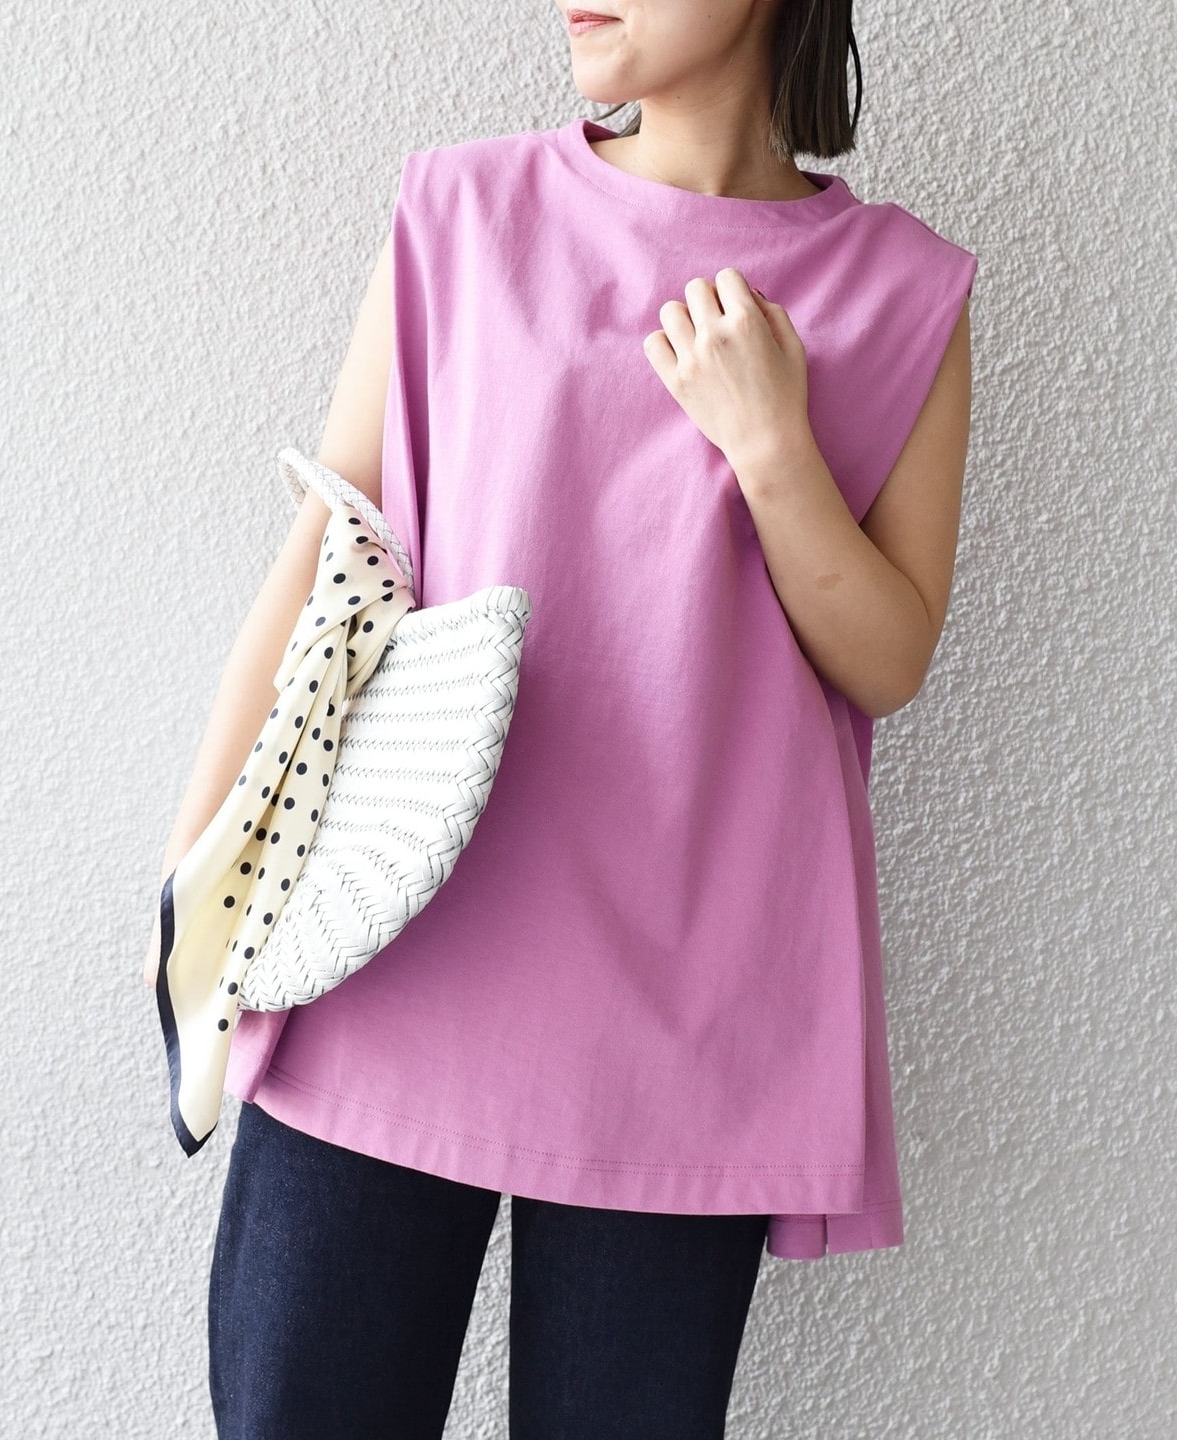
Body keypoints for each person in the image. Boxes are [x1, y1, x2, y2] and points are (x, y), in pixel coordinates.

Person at [146, 2, 978, 1436]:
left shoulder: (903, 288)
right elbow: (328, 552)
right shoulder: (462, 209)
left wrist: (772, 448)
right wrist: (192, 897)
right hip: (390, 952)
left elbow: (889, 657)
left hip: (692, 1009)